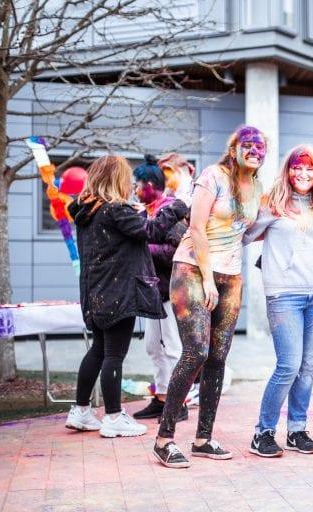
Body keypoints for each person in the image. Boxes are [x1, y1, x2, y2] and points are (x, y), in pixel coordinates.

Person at [153, 125, 267, 468]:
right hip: (193, 269)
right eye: (248, 146)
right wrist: (207, 278)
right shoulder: (213, 176)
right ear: (233, 150)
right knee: (196, 352)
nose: (255, 151)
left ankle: (203, 439)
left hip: (231, 276)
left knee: (218, 357)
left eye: (260, 147)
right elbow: (196, 227)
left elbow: (245, 230)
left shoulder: (257, 185)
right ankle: (164, 439)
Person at [64, 155, 189, 438]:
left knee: (98, 350)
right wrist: (180, 204)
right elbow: (152, 231)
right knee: (114, 355)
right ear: (116, 180)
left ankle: (81, 411)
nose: (131, 184)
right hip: (118, 293)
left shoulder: (88, 212)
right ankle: (113, 417)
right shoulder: (115, 210)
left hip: (95, 293)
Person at [245, 144, 313, 458]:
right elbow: (245, 235)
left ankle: (297, 430)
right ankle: (263, 433)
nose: (303, 174)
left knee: (308, 368)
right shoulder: (273, 202)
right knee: (289, 365)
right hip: (284, 295)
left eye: (310, 168)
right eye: (297, 167)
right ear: (288, 169)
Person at [131, 156, 190, 423]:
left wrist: (143, 249)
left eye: (137, 185)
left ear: (150, 185)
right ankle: (162, 397)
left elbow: (176, 252)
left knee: (173, 348)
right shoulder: (144, 214)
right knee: (153, 347)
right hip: (153, 293)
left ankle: (179, 403)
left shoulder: (172, 212)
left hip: (172, 292)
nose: (135, 190)